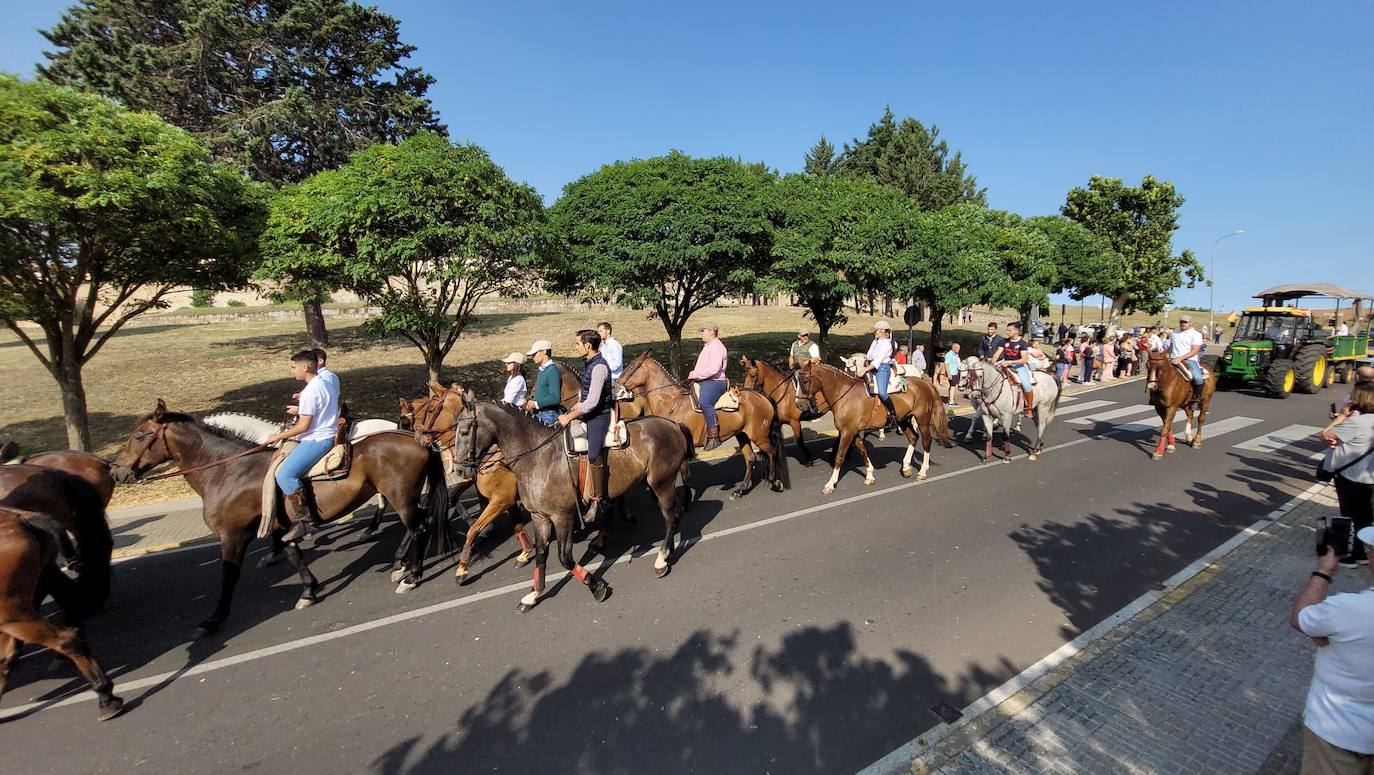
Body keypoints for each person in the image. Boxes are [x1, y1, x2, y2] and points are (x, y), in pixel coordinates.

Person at [1290, 524, 1374, 772]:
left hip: (1337, 730)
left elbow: (1301, 619)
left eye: (1370, 549)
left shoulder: (1349, 609)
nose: (1367, 554)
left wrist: (1324, 570)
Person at [269, 350, 341, 542]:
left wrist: (277, 436)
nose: (292, 371)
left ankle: (305, 521)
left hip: (317, 439)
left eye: (294, 367)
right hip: (325, 433)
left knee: (284, 474)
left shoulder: (311, 390)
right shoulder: (326, 381)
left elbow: (303, 426)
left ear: (306, 367)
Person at [558, 330, 614, 515]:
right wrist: (573, 408)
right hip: (588, 413)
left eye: (577, 344)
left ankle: (598, 499)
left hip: (599, 416)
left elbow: (592, 402)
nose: (575, 347)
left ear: (587, 346)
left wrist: (569, 416)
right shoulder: (590, 364)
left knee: (593, 454)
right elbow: (584, 396)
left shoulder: (599, 367)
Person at [687, 323, 729, 450]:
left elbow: (714, 369)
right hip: (704, 380)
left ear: (711, 332)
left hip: (715, 382)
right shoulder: (708, 346)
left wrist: (696, 374)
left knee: (705, 402)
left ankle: (714, 436)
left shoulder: (717, 347)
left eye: (703, 331)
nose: (701, 334)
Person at [858, 321, 899, 430]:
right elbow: (869, 355)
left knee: (882, 392)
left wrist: (865, 370)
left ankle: (893, 414)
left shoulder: (886, 344)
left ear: (882, 331)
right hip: (871, 366)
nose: (875, 332)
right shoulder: (875, 342)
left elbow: (878, 361)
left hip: (882, 368)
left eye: (876, 330)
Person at [992, 322, 1035, 417]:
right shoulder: (1004, 342)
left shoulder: (1022, 343)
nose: (1007, 332)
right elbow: (997, 354)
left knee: (1026, 384)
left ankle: (1029, 408)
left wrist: (1010, 362)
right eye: (1007, 330)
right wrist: (992, 363)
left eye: (1009, 330)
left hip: (1018, 366)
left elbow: (1024, 360)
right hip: (1004, 364)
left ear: (1016, 331)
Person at [523, 339, 561, 426]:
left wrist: (535, 404)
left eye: (534, 354)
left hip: (549, 415)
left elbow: (555, 397)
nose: (533, 357)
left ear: (543, 352)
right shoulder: (542, 371)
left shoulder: (552, 371)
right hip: (540, 413)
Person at [1169, 316, 1207, 404]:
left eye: (1185, 322)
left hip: (1189, 360)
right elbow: (1171, 347)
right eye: (1181, 322)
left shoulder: (1196, 334)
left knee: (1198, 378)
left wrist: (1180, 358)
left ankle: (1196, 397)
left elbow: (1195, 350)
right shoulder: (1174, 333)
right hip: (1173, 359)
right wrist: (1163, 355)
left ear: (1190, 323)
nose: (1183, 324)